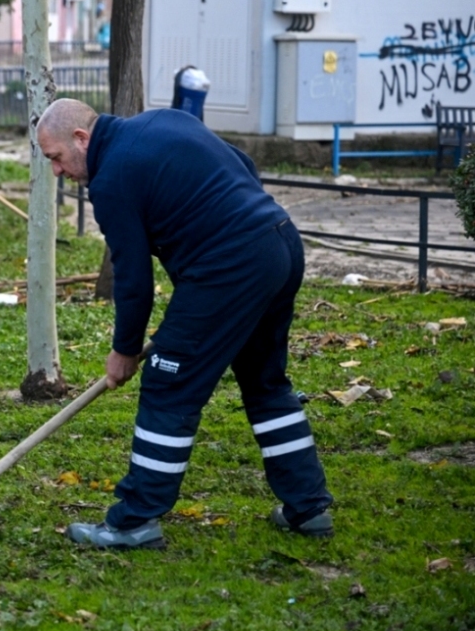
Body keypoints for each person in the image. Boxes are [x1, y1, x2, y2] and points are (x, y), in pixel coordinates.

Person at [35, 98, 333, 550]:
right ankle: (308, 507)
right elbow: (244, 165)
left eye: (55, 158)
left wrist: (125, 350)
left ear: (81, 139)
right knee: (264, 380)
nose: (58, 171)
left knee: (167, 385)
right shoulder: (163, 119)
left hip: (229, 267)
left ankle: (134, 520)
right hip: (279, 243)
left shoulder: (111, 180)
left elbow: (133, 279)